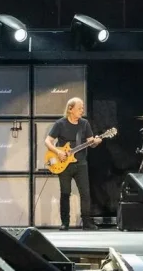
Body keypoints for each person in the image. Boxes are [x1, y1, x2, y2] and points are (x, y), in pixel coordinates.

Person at [45, 97, 101, 230]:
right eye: (79, 108)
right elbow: (47, 141)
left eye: (82, 108)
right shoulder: (60, 124)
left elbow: (90, 143)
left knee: (85, 193)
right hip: (63, 163)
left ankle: (86, 222)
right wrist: (58, 152)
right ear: (70, 109)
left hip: (81, 163)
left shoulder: (84, 124)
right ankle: (65, 223)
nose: (82, 110)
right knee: (65, 193)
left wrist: (96, 142)